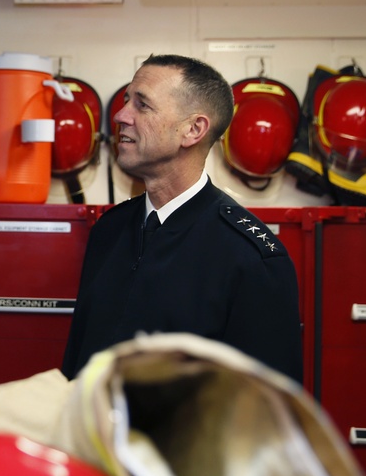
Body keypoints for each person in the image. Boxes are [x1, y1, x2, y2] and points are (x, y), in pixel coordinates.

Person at [61, 54, 303, 384]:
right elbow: (78, 362)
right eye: (126, 100)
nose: (120, 115)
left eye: (142, 105)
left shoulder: (250, 258)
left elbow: (267, 413)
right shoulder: (109, 230)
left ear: (193, 130)